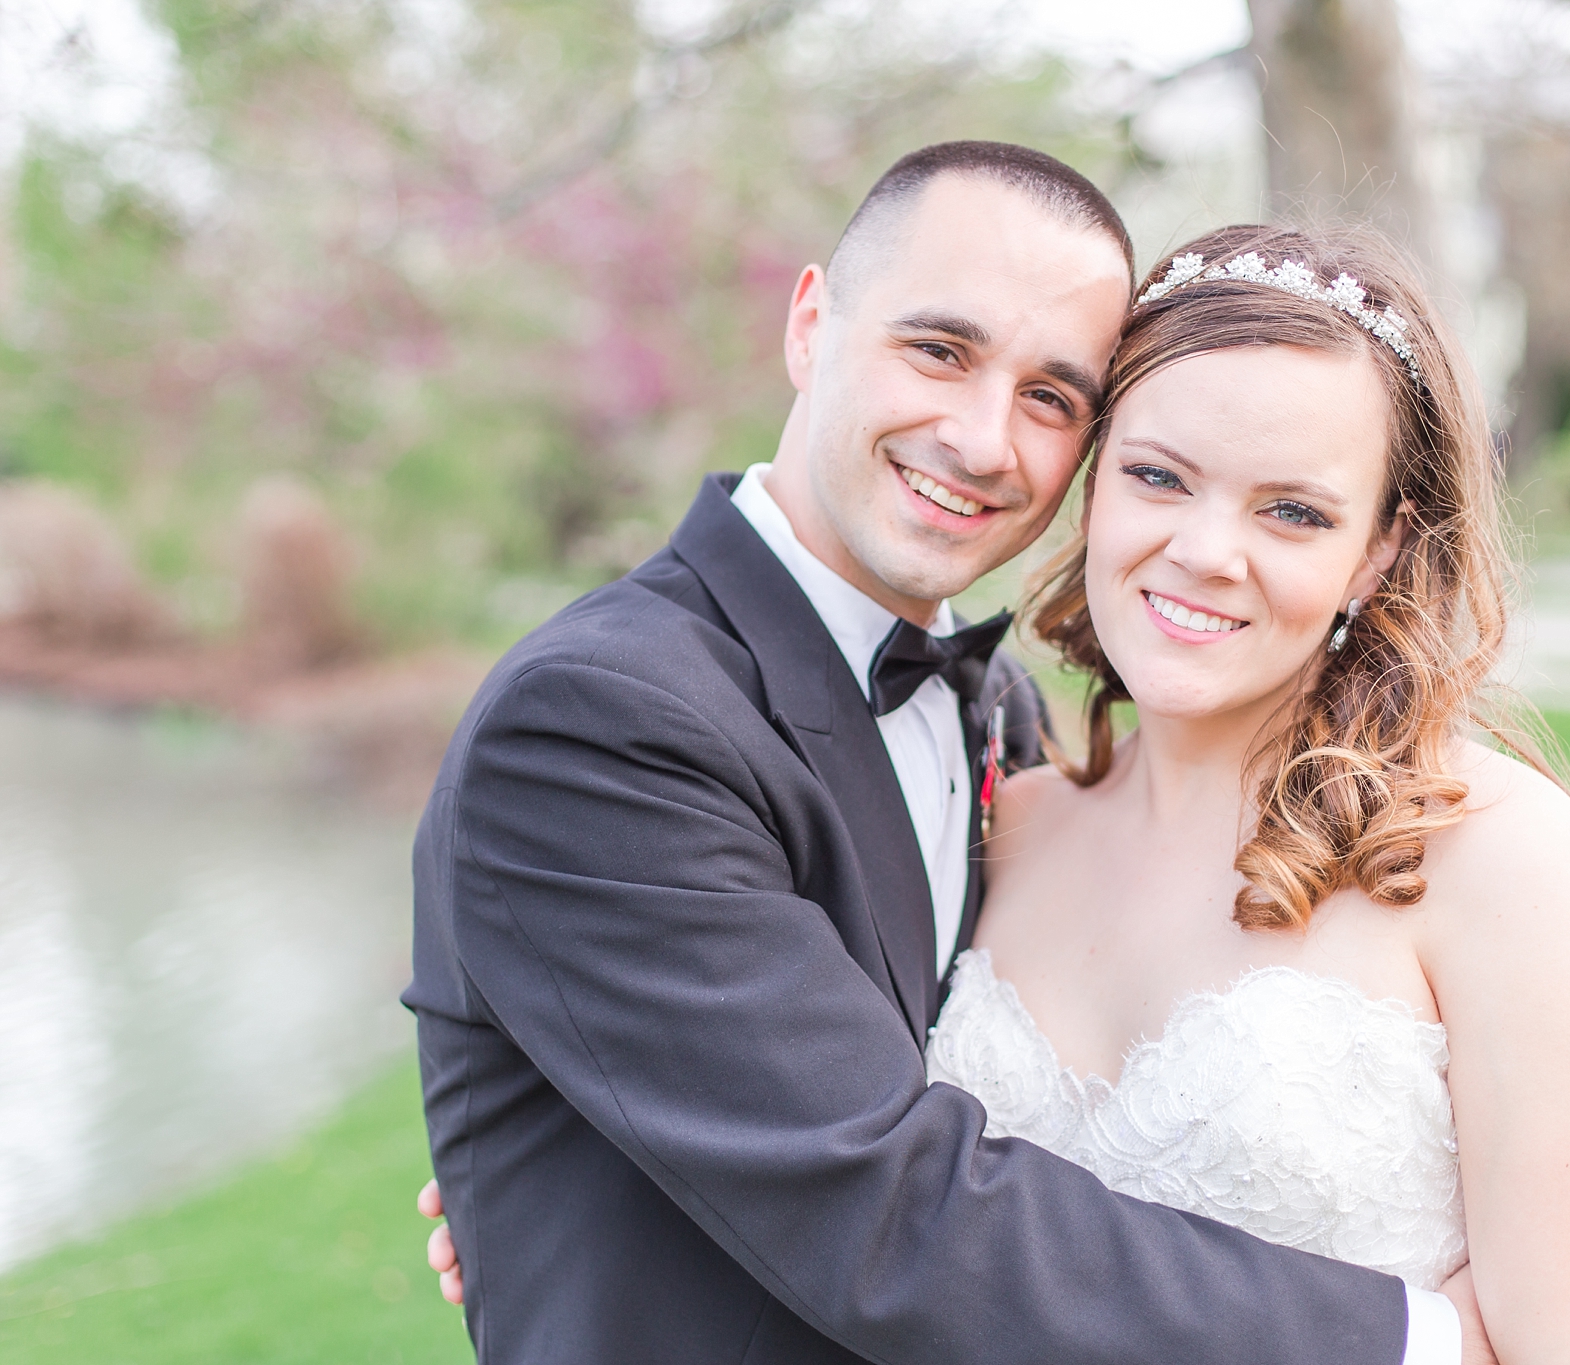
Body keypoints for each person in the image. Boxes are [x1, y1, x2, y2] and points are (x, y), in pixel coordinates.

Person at [405, 143, 1486, 1365]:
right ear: (811, 324)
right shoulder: (603, 721)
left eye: (1051, 397)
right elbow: (881, 1206)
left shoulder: (1002, 718)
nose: (982, 440)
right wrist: (1413, 1338)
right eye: (939, 350)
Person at [928, 224, 1570, 1361]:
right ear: (1093, 485)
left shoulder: (1492, 860)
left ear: (1378, 553)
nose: (1204, 552)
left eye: (1291, 511)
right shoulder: (1010, 830)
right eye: (1156, 476)